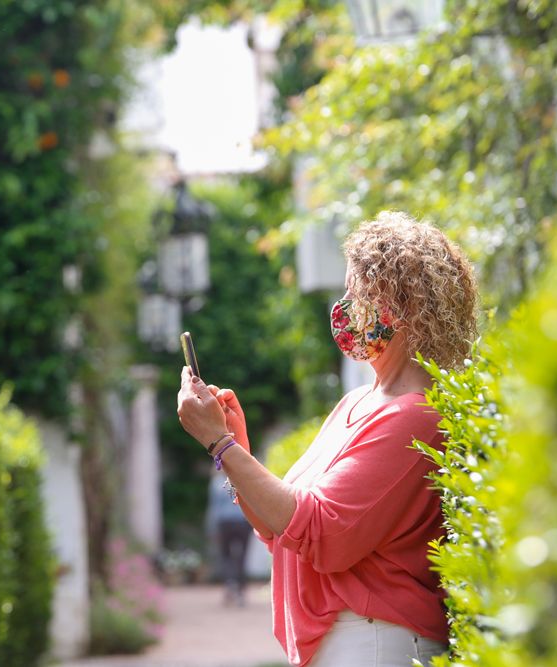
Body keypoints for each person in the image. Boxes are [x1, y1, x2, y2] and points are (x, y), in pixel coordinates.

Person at [177, 212, 479, 667]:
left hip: (378, 643)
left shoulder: (416, 414)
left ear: (398, 305)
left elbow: (323, 533)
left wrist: (221, 446)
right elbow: (281, 525)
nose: (346, 309)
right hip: (353, 643)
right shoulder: (356, 402)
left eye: (357, 294)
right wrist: (234, 445)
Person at [207, 468, 252, 606]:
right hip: (243, 522)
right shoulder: (242, 479)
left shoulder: (217, 482)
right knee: (242, 557)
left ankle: (229, 584)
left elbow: (214, 508)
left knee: (226, 556)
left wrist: (212, 528)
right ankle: (240, 589)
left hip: (224, 523)